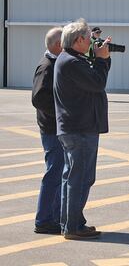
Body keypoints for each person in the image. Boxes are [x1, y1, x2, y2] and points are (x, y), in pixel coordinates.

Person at [54, 20, 112, 239]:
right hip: (80, 128)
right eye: (88, 38)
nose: (91, 42)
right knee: (81, 177)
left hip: (75, 127)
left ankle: (71, 222)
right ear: (78, 40)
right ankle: (72, 226)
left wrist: (99, 59)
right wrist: (102, 60)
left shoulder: (70, 59)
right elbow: (97, 83)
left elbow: (93, 81)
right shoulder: (71, 62)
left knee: (73, 177)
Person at [31, 27, 64, 235]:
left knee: (58, 172)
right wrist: (60, 112)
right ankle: (44, 219)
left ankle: (54, 216)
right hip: (52, 129)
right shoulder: (47, 67)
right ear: (58, 45)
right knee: (54, 173)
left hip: (56, 127)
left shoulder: (55, 64)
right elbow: (39, 98)